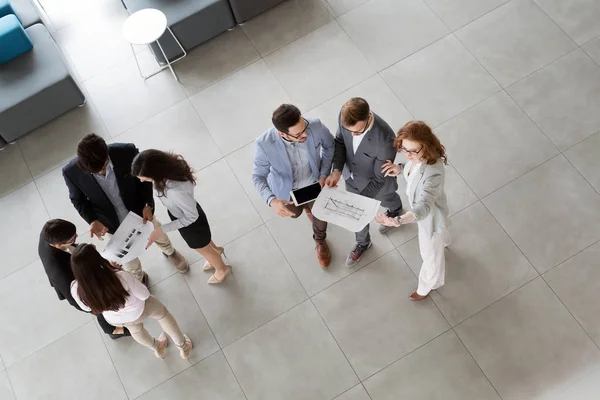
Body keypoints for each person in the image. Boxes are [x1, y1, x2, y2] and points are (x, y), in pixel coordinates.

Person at [63, 133, 189, 284]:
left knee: (157, 232)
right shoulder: (70, 172)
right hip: (110, 222)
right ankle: (139, 276)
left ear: (107, 154)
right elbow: (77, 199)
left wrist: (148, 204)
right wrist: (92, 220)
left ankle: (170, 251)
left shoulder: (127, 152)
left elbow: (145, 179)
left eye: (103, 167)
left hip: (140, 212)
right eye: (95, 173)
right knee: (126, 256)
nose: (101, 173)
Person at [70, 244, 193, 358]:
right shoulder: (120, 276)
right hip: (140, 309)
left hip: (116, 319)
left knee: (136, 330)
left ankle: (157, 347)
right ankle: (183, 346)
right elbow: (144, 295)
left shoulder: (75, 288)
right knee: (163, 315)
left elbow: (87, 308)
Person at [131, 150, 231, 284]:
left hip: (191, 223)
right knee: (205, 242)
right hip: (186, 214)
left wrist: (161, 229)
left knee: (202, 248)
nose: (142, 181)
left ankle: (221, 269)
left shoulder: (175, 191)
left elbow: (191, 217)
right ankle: (216, 251)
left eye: (145, 178)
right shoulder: (169, 174)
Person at [376, 121, 450, 301]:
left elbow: (424, 206)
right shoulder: (418, 158)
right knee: (441, 239)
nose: (408, 154)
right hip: (430, 210)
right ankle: (445, 241)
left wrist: (398, 221)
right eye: (404, 149)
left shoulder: (433, 173)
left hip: (429, 218)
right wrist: (401, 169)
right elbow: (414, 166)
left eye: (412, 151)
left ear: (426, 147)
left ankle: (427, 286)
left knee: (430, 255)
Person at [253, 104, 334, 267]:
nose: (305, 133)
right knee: (294, 213)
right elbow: (258, 177)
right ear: (282, 133)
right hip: (288, 191)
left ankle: (320, 240)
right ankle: (306, 208)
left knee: (321, 216)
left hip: (314, 183)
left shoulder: (315, 125)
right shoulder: (264, 144)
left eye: (304, 128)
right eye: (298, 134)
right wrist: (272, 200)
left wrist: (325, 174)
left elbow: (330, 146)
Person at [325, 97, 402, 267]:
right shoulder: (345, 116)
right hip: (351, 178)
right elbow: (340, 141)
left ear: (368, 118)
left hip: (377, 184)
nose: (352, 135)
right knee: (357, 216)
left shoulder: (386, 141)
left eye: (357, 132)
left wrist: (358, 202)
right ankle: (363, 243)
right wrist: (337, 170)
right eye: (349, 130)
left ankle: (395, 209)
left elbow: (378, 179)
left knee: (388, 199)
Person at [38, 219, 129, 339]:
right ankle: (112, 330)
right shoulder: (61, 272)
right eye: (72, 239)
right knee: (98, 307)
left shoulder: (49, 232)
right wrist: (94, 308)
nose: (76, 237)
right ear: (58, 245)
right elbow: (75, 300)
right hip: (77, 288)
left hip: (69, 268)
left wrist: (82, 250)